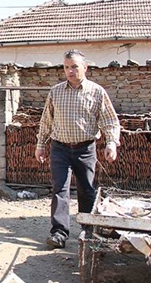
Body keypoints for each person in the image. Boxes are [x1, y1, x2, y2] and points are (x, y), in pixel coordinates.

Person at [35, 49, 120, 249]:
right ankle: (59, 233)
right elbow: (46, 121)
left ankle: (87, 231)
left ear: (85, 68)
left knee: (87, 190)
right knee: (59, 190)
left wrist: (111, 143)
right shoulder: (56, 92)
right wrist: (40, 145)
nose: (70, 71)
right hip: (60, 149)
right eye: (66, 67)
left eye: (74, 66)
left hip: (85, 149)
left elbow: (110, 121)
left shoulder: (96, 92)